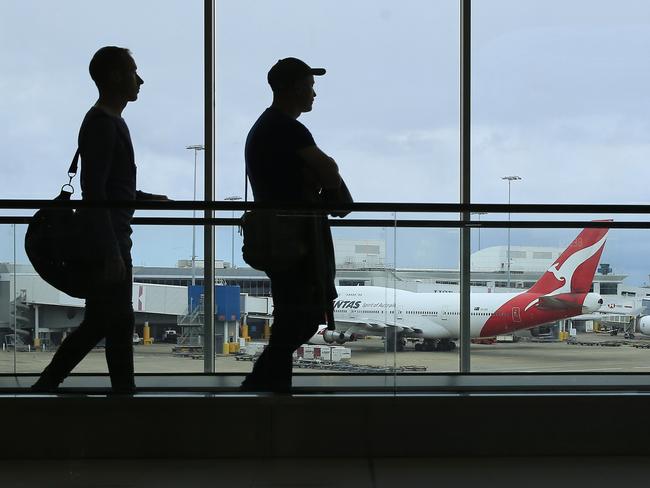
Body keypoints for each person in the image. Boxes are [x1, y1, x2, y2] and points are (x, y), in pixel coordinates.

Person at [31, 46, 168, 394]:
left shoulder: (107, 122)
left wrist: (146, 199)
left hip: (109, 237)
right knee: (115, 321)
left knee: (106, 321)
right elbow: (95, 191)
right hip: (108, 240)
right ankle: (118, 393)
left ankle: (59, 386)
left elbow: (106, 188)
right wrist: (112, 251)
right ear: (114, 77)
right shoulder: (103, 124)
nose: (140, 79)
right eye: (133, 71)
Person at [241, 57, 352, 393]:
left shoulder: (267, 127)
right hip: (293, 237)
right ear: (292, 88)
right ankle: (261, 383)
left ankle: (270, 384)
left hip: (280, 235)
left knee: (292, 315)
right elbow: (328, 171)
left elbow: (322, 170)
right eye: (309, 86)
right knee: (300, 316)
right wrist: (326, 175)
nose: (314, 94)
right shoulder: (288, 128)